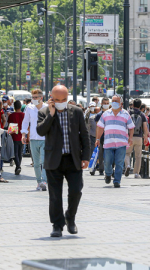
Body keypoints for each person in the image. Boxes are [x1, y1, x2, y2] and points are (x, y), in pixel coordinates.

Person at [37, 85, 90, 238]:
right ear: (51, 98)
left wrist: (85, 157)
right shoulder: (44, 112)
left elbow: (84, 135)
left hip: (73, 159)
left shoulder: (77, 112)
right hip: (53, 160)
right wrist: (51, 114)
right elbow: (40, 131)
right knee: (55, 195)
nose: (61, 102)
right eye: (57, 100)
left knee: (76, 190)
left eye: (64, 100)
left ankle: (70, 217)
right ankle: (57, 225)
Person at [95, 95, 135, 188]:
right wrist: (97, 139)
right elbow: (100, 127)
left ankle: (117, 181)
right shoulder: (105, 114)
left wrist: (131, 138)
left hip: (121, 143)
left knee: (119, 163)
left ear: (121, 103)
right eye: (113, 101)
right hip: (108, 143)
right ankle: (108, 174)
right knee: (107, 162)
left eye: (116, 101)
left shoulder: (126, 114)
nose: (114, 103)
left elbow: (131, 127)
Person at [21, 89, 48, 191]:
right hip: (33, 138)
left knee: (44, 161)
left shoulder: (47, 107)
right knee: (36, 163)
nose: (34, 99)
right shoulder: (29, 108)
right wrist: (23, 134)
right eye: (33, 97)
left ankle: (44, 181)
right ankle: (39, 181)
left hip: (45, 138)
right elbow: (25, 122)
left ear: (41, 97)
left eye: (36, 97)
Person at [124, 99, 149, 178]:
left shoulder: (128, 113)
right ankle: (136, 173)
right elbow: (145, 127)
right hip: (138, 137)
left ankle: (128, 165)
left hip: (129, 136)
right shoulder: (142, 114)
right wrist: (145, 137)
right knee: (138, 156)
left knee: (127, 153)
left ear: (133, 104)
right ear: (140, 105)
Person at [8, 100, 25, 175]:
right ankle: (18, 166)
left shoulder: (11, 116)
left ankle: (18, 166)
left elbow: (11, 127)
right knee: (20, 153)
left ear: (14, 107)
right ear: (20, 106)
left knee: (15, 153)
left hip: (14, 136)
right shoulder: (24, 115)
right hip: (22, 136)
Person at [94, 98, 110, 175]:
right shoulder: (99, 115)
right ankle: (101, 169)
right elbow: (98, 127)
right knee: (101, 154)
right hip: (101, 137)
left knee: (109, 154)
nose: (106, 104)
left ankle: (109, 168)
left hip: (110, 137)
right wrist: (97, 138)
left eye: (107, 103)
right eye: (104, 103)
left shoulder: (111, 114)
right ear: (101, 104)